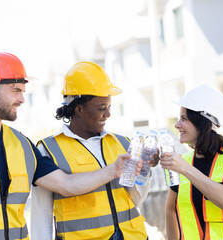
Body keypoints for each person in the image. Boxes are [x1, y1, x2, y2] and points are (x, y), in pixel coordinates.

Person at [0, 53, 135, 240]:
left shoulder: (22, 144)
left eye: (23, 91)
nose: (22, 99)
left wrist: (112, 171)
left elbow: (67, 184)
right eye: (15, 90)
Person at [31, 61, 159, 240]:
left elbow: (135, 199)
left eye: (109, 107)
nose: (108, 114)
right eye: (101, 108)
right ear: (79, 109)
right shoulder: (48, 150)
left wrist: (145, 170)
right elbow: (41, 215)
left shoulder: (122, 143)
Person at [160, 85, 223, 240]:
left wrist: (185, 169)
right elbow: (171, 209)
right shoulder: (183, 162)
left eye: (184, 118)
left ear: (203, 123)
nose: (177, 125)